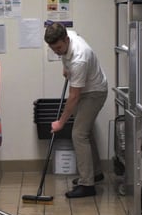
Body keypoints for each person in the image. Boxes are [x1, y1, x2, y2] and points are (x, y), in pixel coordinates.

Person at [44, 22, 108, 198]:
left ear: (66, 40)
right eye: (53, 49)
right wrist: (66, 66)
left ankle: (87, 185)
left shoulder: (80, 58)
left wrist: (60, 123)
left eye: (58, 48)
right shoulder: (68, 36)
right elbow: (65, 55)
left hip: (95, 92)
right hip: (87, 88)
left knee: (78, 134)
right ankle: (94, 173)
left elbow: (73, 96)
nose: (56, 51)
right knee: (85, 132)